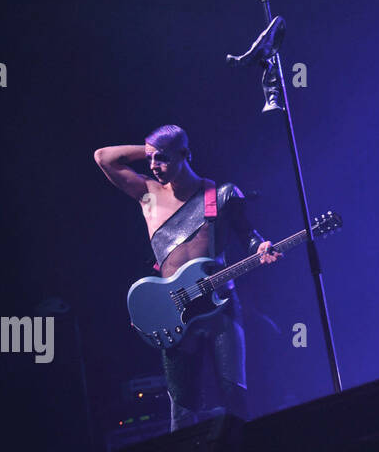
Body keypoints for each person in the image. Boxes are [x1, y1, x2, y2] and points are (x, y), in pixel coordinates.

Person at [94, 125, 279, 431]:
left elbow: (248, 235)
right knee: (181, 409)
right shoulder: (148, 195)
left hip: (220, 308)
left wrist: (260, 246)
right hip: (175, 314)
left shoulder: (220, 195)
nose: (154, 166)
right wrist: (152, 148)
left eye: (163, 159)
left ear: (185, 155)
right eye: (151, 160)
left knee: (235, 397)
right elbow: (103, 158)